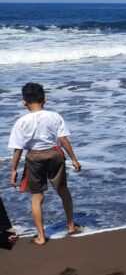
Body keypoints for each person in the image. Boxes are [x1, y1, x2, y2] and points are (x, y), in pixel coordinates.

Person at [7, 82, 82, 246]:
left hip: (34, 157)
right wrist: (74, 159)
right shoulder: (54, 116)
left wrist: (13, 170)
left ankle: (41, 236)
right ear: (45, 99)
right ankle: (71, 226)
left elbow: (18, 149)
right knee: (63, 190)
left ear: (24, 102)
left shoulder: (21, 121)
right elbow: (63, 140)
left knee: (37, 196)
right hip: (55, 154)